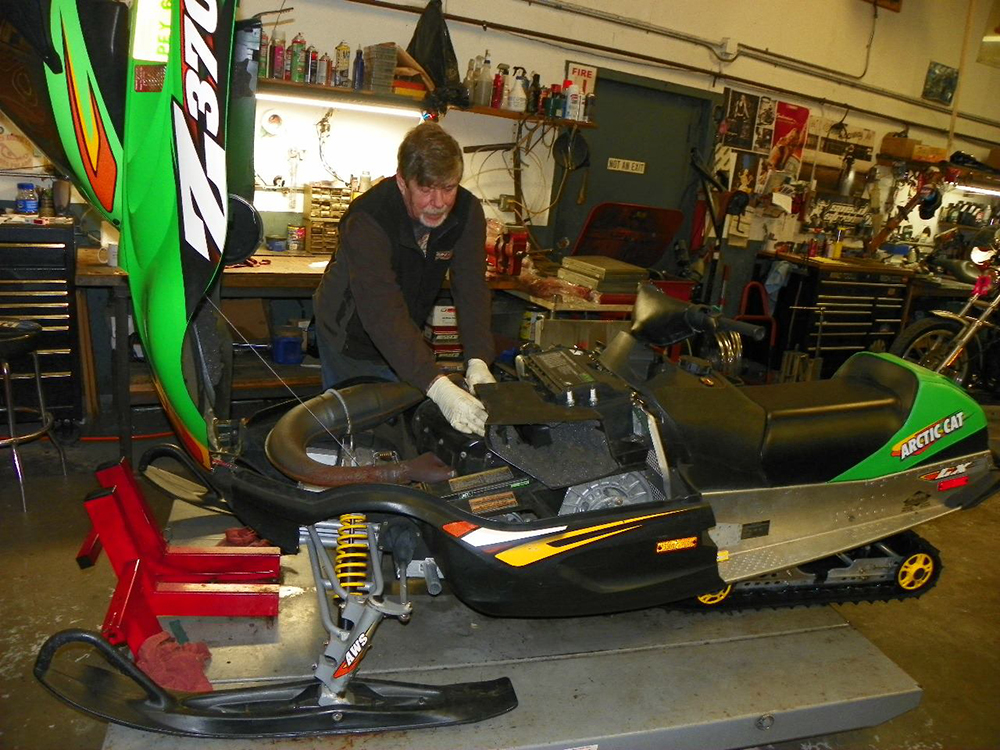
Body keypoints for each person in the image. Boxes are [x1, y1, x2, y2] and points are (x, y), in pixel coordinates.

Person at [313, 122, 495, 436]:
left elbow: (472, 287)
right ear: (402, 181)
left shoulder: (466, 211)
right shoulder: (368, 218)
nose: (439, 202)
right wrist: (437, 386)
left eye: (448, 188)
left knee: (401, 426)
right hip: (350, 332)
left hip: (404, 326)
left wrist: (479, 358)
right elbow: (381, 312)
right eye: (426, 189)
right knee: (357, 429)